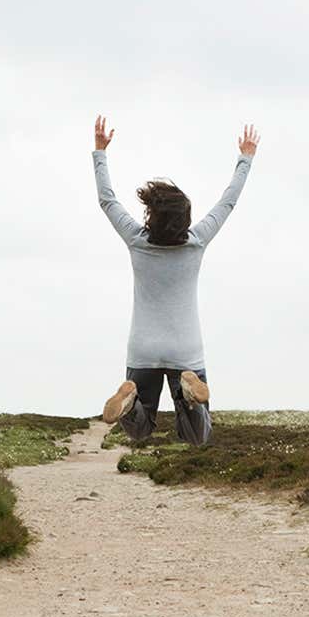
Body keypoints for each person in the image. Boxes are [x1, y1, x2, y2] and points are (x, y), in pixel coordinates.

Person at [91, 115, 259, 446]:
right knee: (197, 435)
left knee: (141, 429)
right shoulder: (197, 242)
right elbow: (229, 201)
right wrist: (245, 158)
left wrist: (100, 152)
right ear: (186, 218)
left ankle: (130, 404)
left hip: (143, 349)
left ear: (150, 215)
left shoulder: (137, 241)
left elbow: (107, 200)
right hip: (186, 350)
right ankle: (190, 396)